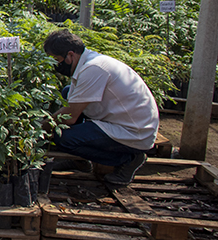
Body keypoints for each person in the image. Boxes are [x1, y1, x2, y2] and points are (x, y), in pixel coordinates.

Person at [43, 29, 158, 186]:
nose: (56, 65)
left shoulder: (93, 69)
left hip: (133, 131)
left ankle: (129, 159)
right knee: (67, 92)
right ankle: (80, 162)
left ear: (70, 55)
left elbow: (69, 116)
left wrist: (42, 127)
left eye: (57, 59)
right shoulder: (89, 62)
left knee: (63, 137)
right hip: (123, 118)